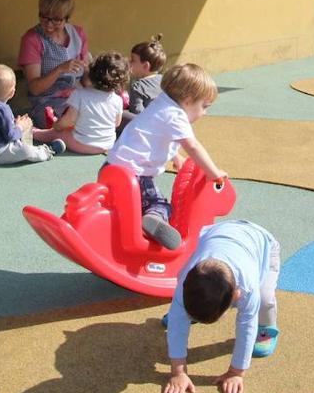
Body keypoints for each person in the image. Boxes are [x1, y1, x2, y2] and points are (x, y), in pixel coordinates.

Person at [105, 63, 226, 249]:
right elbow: (193, 146)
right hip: (136, 175)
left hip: (110, 167)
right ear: (187, 100)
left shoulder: (160, 103)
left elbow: (155, 136)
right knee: (159, 204)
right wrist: (213, 173)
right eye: (204, 106)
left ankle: (121, 229)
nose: (204, 112)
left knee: (121, 203)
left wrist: (176, 157)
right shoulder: (176, 115)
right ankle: (152, 219)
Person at [163, 220, 281, 393]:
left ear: (236, 296)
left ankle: (266, 327)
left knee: (265, 299)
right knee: (178, 314)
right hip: (218, 233)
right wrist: (178, 372)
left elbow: (246, 327)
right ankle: (196, 310)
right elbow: (176, 325)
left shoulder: (248, 289)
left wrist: (236, 372)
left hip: (263, 244)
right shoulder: (185, 282)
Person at [18, 0, 89, 128]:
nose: (49, 25)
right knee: (74, 122)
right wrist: (60, 69)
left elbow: (87, 79)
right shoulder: (32, 39)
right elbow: (35, 89)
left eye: (56, 20)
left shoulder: (78, 34)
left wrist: (94, 75)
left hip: (76, 95)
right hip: (47, 101)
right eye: (44, 17)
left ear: (66, 18)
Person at [38, 51, 129, 155]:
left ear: (91, 73)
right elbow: (116, 123)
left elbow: (68, 121)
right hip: (107, 145)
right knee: (75, 128)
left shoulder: (80, 94)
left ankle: (35, 133)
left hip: (82, 144)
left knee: (55, 133)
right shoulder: (117, 100)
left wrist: (56, 126)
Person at [0, 63, 65, 165]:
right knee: (25, 151)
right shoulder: (2, 109)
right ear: (12, 92)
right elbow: (11, 136)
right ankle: (47, 151)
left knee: (20, 137)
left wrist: (15, 124)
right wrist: (20, 126)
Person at [124, 35, 166, 121]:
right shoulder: (165, 81)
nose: (129, 61)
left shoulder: (138, 87)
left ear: (145, 66)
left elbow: (137, 114)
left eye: (133, 60)